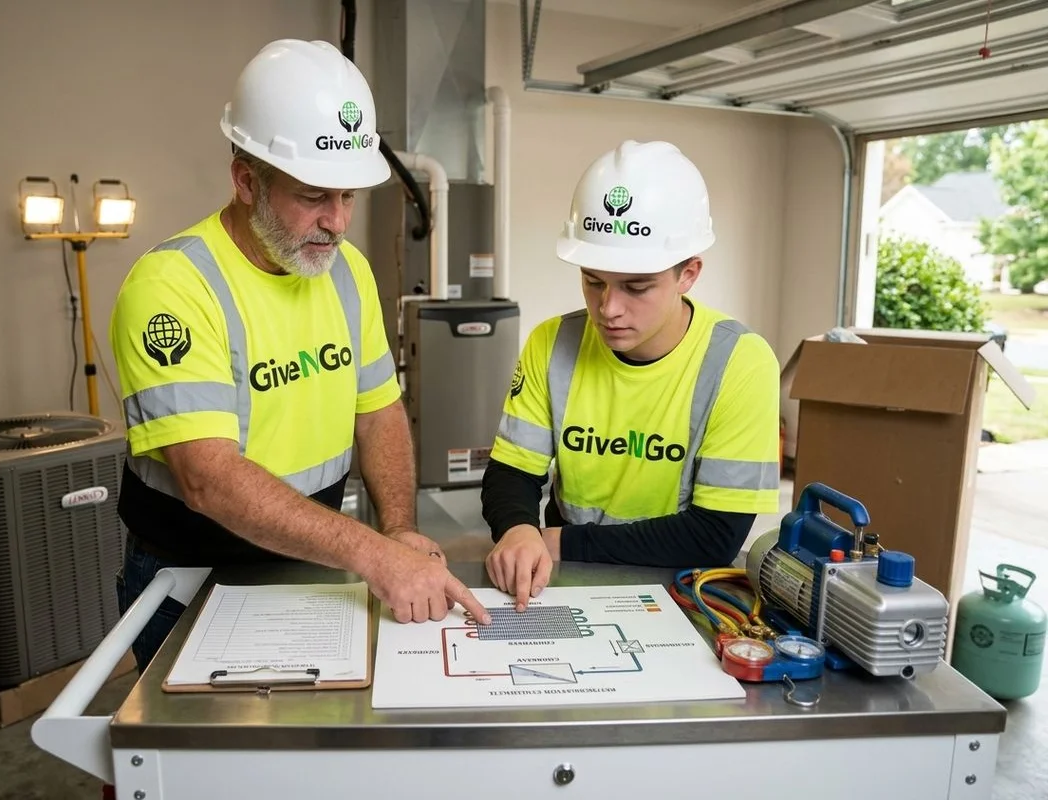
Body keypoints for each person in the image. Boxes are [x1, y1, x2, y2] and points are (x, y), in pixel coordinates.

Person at [109, 38, 489, 673]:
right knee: (206, 767)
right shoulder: (171, 288)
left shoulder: (348, 274)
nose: (337, 222)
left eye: (348, 197)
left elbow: (379, 413)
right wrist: (372, 553)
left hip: (312, 557)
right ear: (245, 180)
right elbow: (208, 478)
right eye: (314, 196)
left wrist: (396, 530)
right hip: (192, 577)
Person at [481, 140, 781, 610]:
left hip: (683, 589)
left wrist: (558, 542)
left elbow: (716, 535)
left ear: (689, 274)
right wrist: (518, 530)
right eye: (593, 281)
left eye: (636, 287)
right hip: (562, 580)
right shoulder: (551, 342)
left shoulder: (741, 362)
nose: (609, 309)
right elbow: (511, 471)